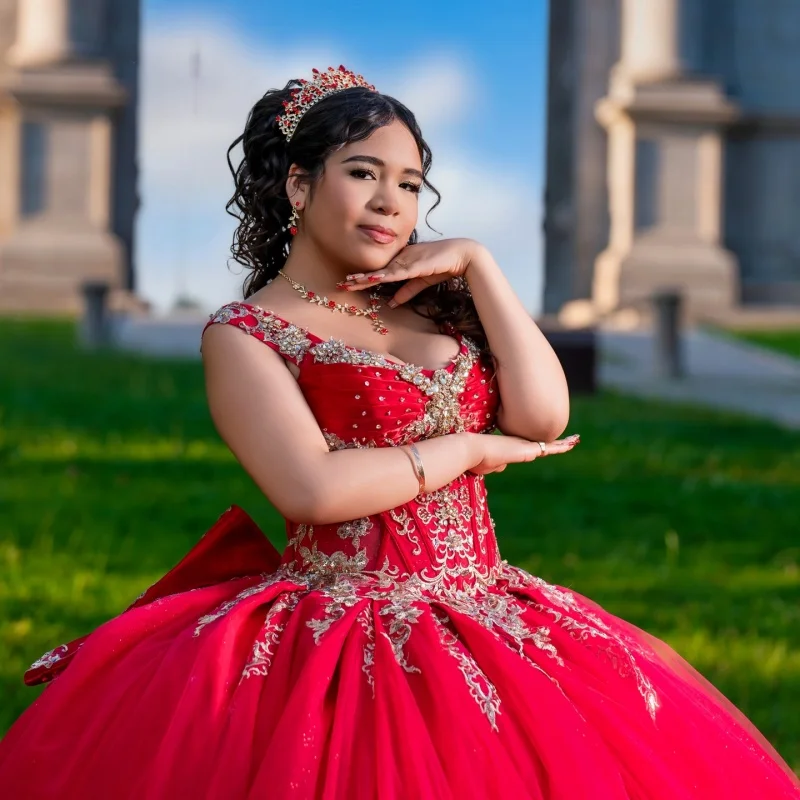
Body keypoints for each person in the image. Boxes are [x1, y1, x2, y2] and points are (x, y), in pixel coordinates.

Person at [0, 65, 798, 800]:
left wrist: (480, 267)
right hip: (341, 620)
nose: (392, 202)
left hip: (491, 605)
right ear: (299, 185)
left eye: (411, 183)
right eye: (364, 174)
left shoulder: (430, 303)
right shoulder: (246, 332)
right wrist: (470, 451)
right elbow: (311, 488)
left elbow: (544, 417)